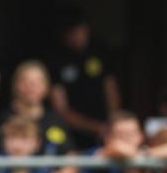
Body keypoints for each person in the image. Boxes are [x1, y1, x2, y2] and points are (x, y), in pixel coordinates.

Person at [48, 9, 121, 150]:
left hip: (106, 128)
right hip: (72, 131)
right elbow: (61, 108)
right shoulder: (56, 59)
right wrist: (96, 127)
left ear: (86, 28)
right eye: (71, 32)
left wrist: (112, 124)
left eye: (79, 30)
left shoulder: (100, 51)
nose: (76, 37)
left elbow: (111, 90)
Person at [4, 60, 74, 156]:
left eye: (37, 82)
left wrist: (63, 171)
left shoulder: (56, 120)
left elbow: (70, 155)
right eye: (24, 81)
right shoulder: (1, 119)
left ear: (46, 87)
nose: (31, 87)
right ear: (15, 85)